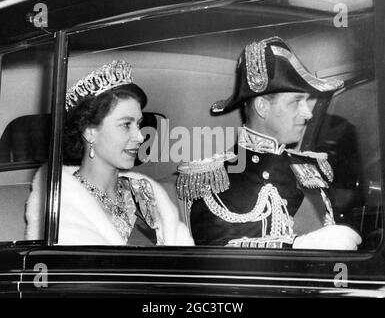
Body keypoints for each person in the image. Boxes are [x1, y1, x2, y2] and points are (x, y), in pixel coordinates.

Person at [177, 37, 361, 250]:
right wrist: (298, 247)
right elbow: (217, 259)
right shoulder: (210, 179)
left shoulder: (312, 168)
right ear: (262, 107)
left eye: (307, 101)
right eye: (296, 102)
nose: (308, 113)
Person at [25, 60, 194, 246]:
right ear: (90, 132)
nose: (139, 136)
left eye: (138, 124)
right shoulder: (61, 206)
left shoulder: (147, 192)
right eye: (125, 125)